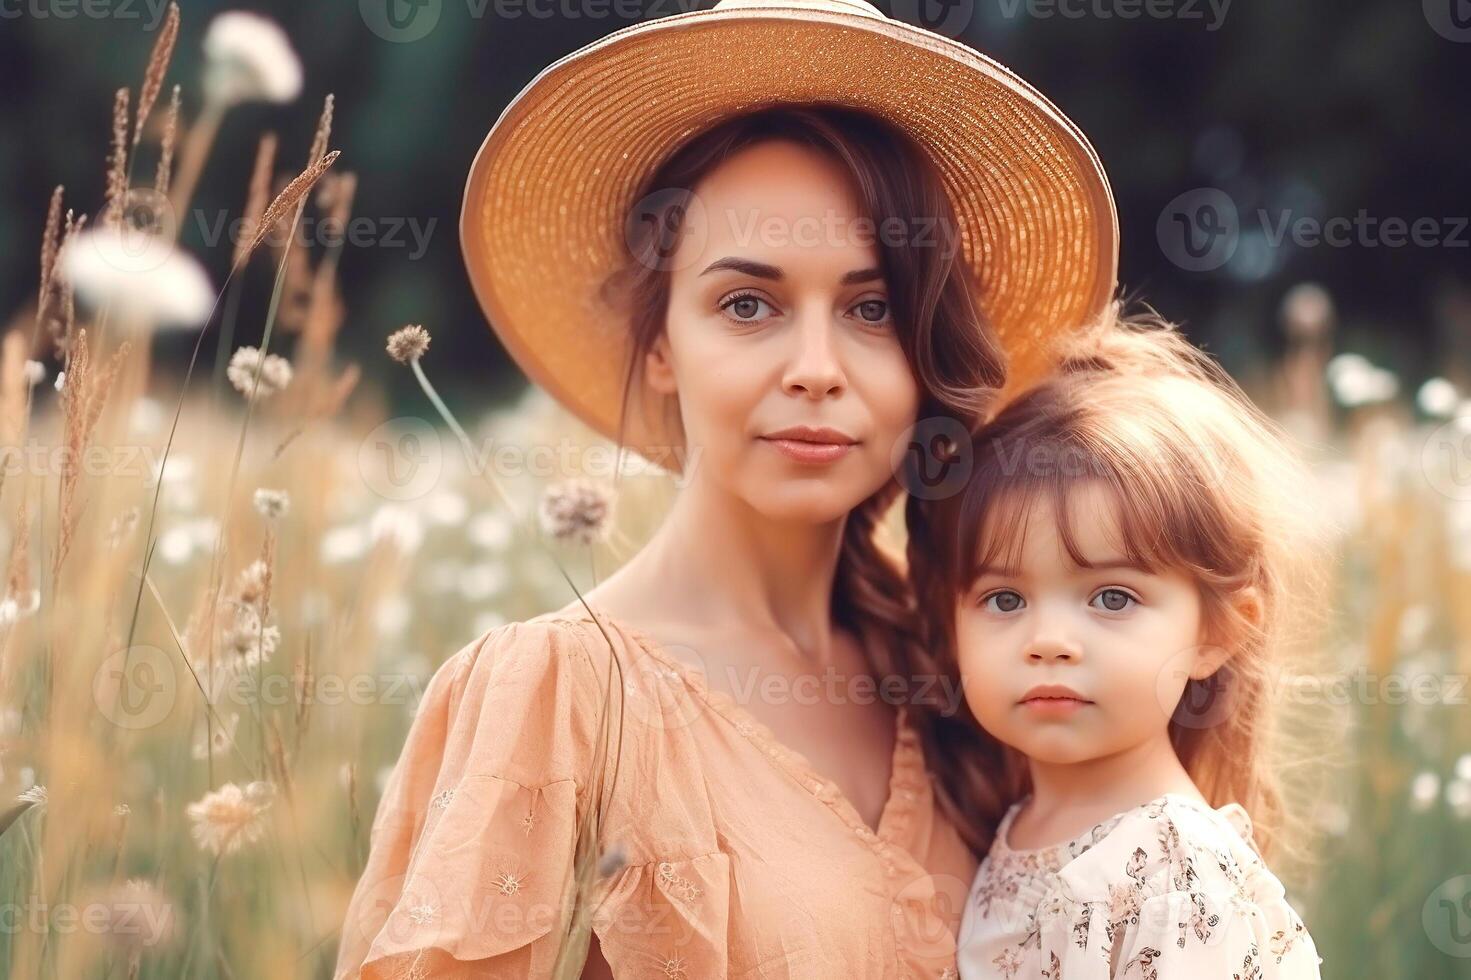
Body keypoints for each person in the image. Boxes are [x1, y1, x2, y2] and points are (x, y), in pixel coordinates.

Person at [334, 1, 1119, 976]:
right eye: (748, 304)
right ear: (660, 344)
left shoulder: (969, 663)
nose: (815, 366)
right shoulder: (565, 695)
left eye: (873, 307)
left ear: (925, 354)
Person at [906, 308, 1327, 978]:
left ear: (1216, 631)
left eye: (1111, 598)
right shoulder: (1016, 828)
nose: (1047, 642)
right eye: (1004, 600)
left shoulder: (1176, 872)